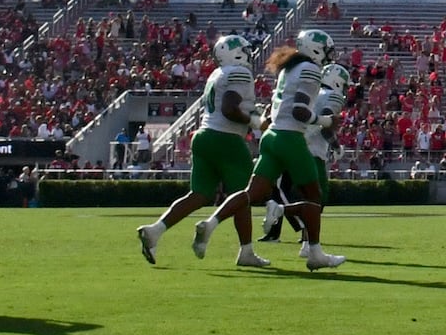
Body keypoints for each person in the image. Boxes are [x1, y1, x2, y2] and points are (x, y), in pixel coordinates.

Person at [141, 35, 265, 267]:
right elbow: (230, 108)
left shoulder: (217, 73)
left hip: (204, 135)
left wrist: (254, 116)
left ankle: (155, 230)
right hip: (226, 138)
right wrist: (256, 122)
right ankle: (245, 251)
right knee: (242, 196)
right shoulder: (239, 72)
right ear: (235, 53)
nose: (249, 54)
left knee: (199, 194)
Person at [226, 28, 343, 269]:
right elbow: (302, 111)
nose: (330, 56)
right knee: (314, 197)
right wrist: (327, 124)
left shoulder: (289, 69)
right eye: (327, 51)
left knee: (252, 192)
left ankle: (211, 223)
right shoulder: (311, 72)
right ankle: (310, 247)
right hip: (292, 139)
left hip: (273, 134)